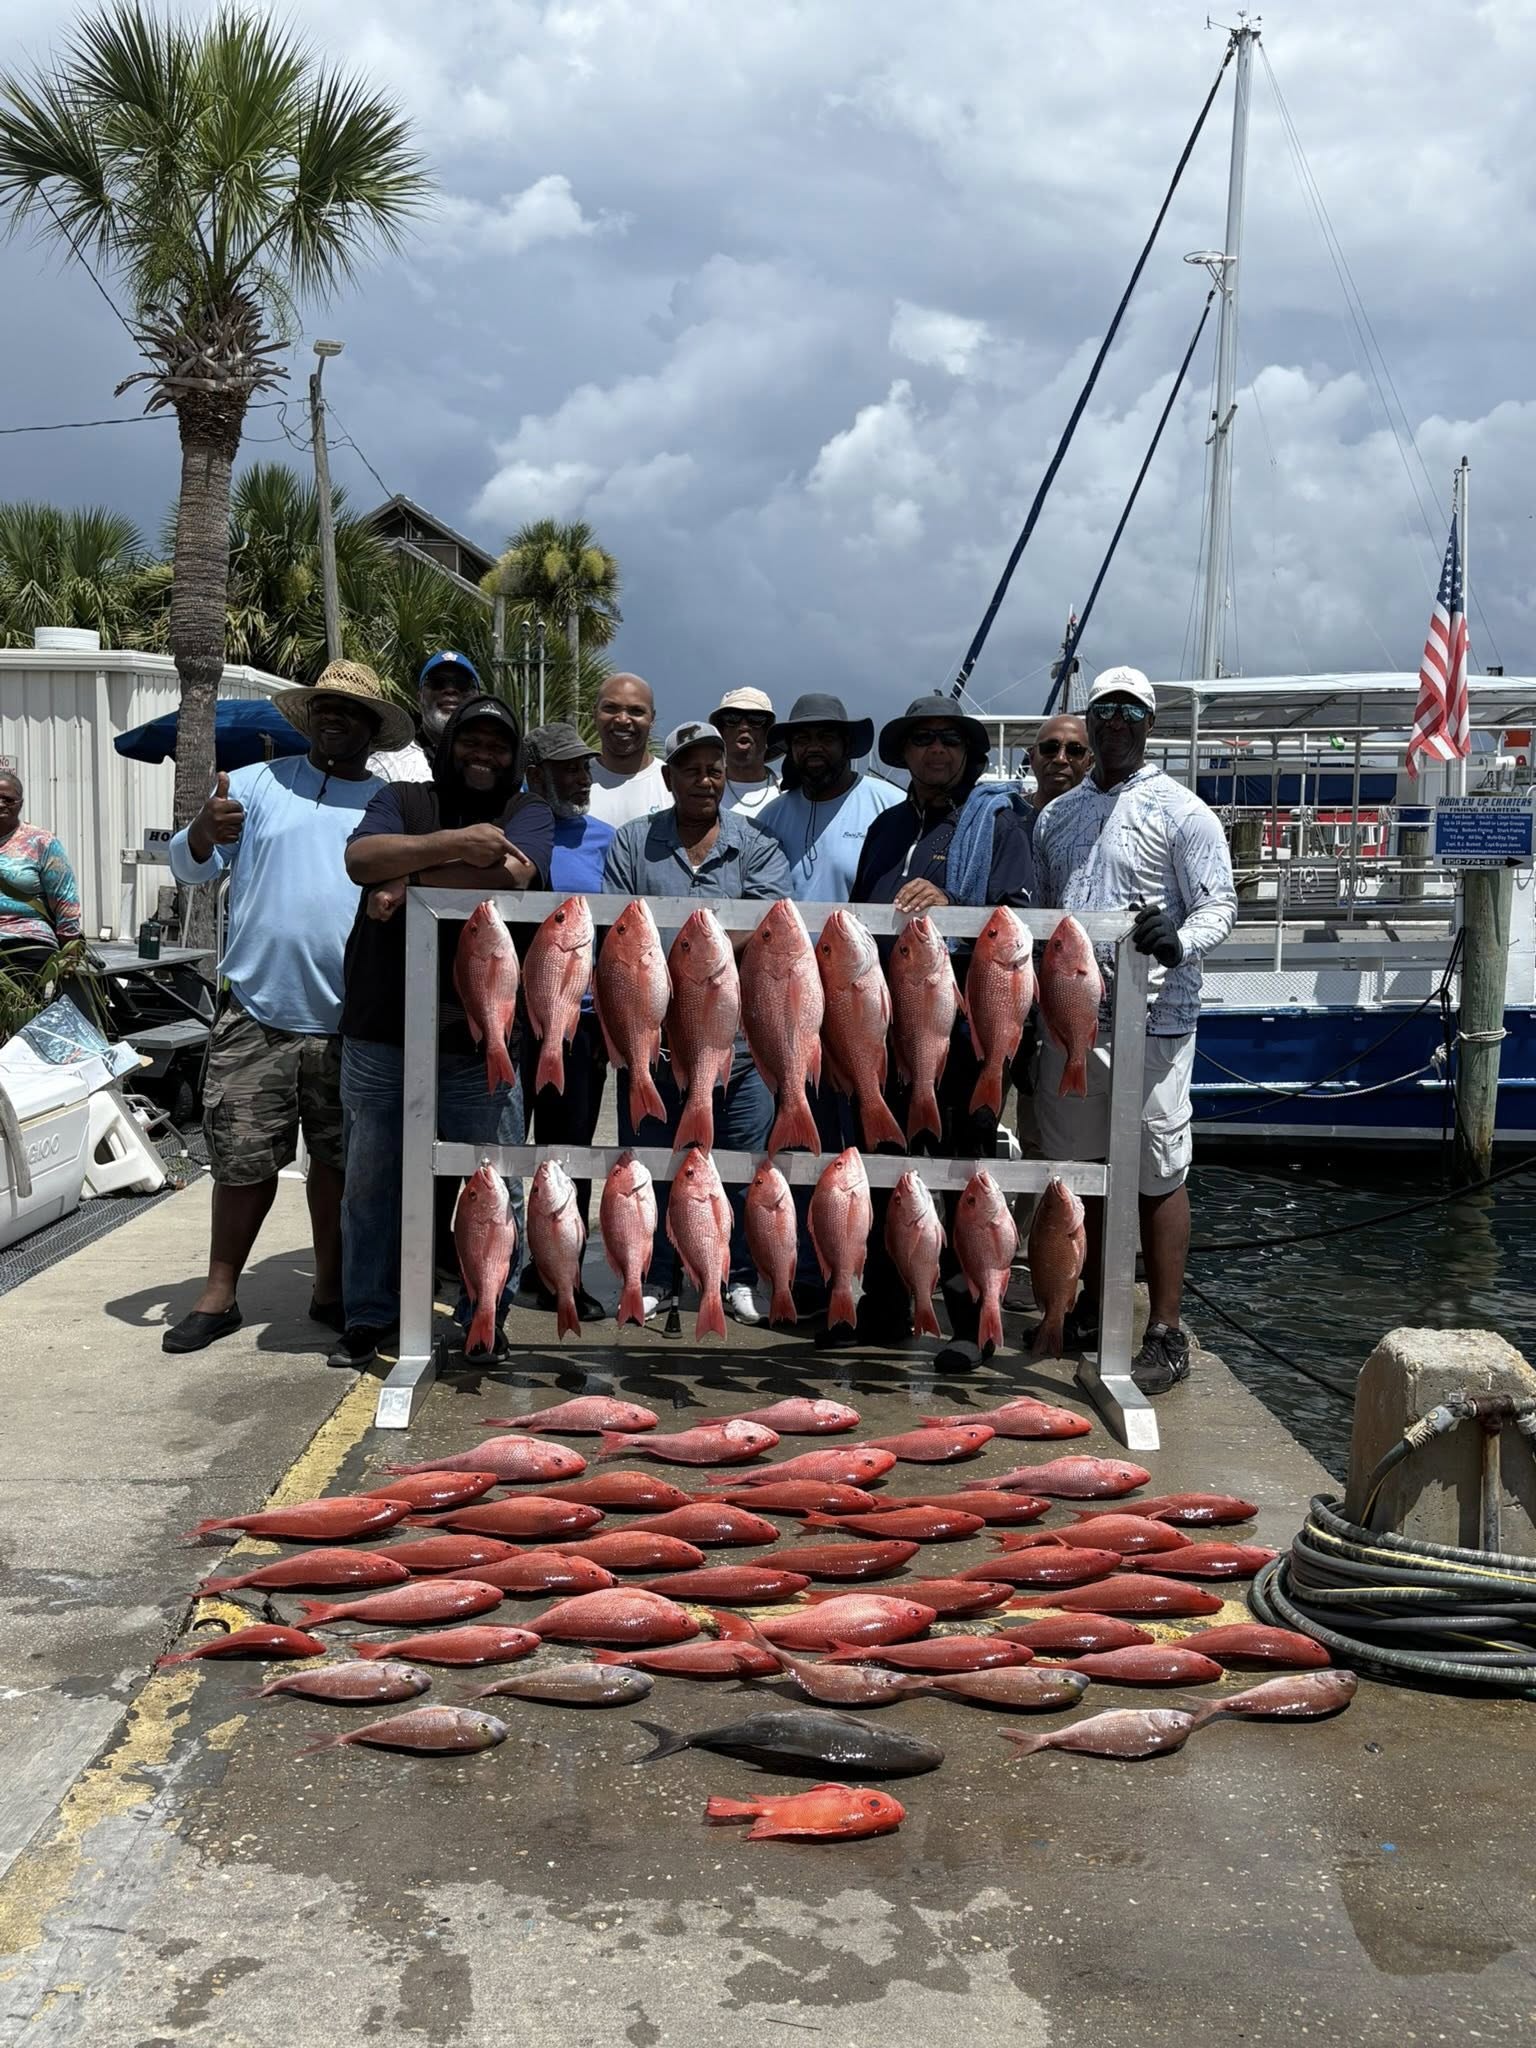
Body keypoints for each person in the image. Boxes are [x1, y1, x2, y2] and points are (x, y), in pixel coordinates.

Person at [164, 661, 406, 1354]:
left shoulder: (390, 804)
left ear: (372, 730)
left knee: (339, 1168)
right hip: (255, 1011)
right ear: (310, 717)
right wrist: (203, 830)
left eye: (351, 711)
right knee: (242, 1164)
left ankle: (330, 1288)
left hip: (351, 1023)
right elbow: (189, 867)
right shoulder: (254, 784)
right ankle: (219, 1295)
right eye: (325, 707)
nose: (336, 719)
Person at [1033, 664, 1237, 1395]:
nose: (1116, 722)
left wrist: (1179, 939)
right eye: (1104, 711)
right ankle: (1087, 1304)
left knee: (1158, 1172)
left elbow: (1220, 904)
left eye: (1130, 711)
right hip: (1072, 1028)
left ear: (1150, 723)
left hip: (1156, 1025)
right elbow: (1046, 913)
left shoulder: (1186, 812)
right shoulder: (1055, 816)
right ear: (1089, 721)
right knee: (1078, 1169)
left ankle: (1165, 1330)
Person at [335, 696, 555, 1367]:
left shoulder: (528, 811)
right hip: (381, 1029)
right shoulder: (402, 798)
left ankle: (487, 1312)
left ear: (514, 759)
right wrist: (457, 848)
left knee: (495, 1184)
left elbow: (516, 872)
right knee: (370, 1181)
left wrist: (409, 880)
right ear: (447, 745)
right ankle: (368, 1314)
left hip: (480, 1042)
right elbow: (361, 859)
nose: (483, 755)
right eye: (471, 741)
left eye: (498, 746)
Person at [851, 694, 1036, 1360]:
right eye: (923, 738)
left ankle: (971, 1322)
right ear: (905, 752)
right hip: (885, 1032)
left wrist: (954, 903)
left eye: (950, 740)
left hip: (963, 1038)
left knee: (965, 1176)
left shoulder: (997, 824)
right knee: (885, 1169)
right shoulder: (886, 828)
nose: (936, 749)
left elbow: (1017, 918)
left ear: (968, 754)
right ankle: (885, 1307)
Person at [603, 720, 791, 1326]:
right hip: (653, 1044)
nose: (704, 780)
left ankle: (736, 1275)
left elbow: (766, 922)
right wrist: (688, 959)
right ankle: (656, 1273)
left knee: (743, 1165)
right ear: (669, 778)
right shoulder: (632, 843)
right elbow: (617, 929)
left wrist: (693, 954)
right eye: (690, 769)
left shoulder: (757, 844)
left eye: (714, 769)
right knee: (654, 1169)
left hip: (738, 1044)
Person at [520, 721, 614, 1313]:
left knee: (570, 1151)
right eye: (568, 769)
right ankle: (492, 1268)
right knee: (500, 1148)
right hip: (509, 1022)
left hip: (578, 1025)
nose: (583, 778)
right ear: (535, 776)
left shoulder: (608, 840)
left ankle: (563, 1276)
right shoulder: (511, 831)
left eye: (585, 767)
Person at [1013, 711, 1094, 1159]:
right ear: (1032, 756)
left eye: (1075, 750)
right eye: (1049, 748)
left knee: (1062, 1137)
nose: (1060, 758)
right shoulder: (1003, 818)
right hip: (1008, 996)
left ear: (1089, 761)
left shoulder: (1098, 823)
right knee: (1017, 1126)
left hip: (1067, 1000)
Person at [757, 693, 902, 903]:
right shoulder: (770, 818)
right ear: (791, 749)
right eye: (802, 739)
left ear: (847, 745)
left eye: (826, 738)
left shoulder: (891, 806)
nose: (814, 748)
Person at [0, 770, 82, 980]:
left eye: (8, 800)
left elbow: (65, 900)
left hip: (25, 939)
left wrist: (69, 954)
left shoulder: (41, 842)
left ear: (20, 804)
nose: (1, 804)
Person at [368, 649, 481, 782]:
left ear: (478, 698)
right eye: (437, 682)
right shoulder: (387, 768)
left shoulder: (496, 762)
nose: (450, 690)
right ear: (419, 698)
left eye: (462, 683)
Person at [586, 671, 668, 827]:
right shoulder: (573, 783)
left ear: (652, 718)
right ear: (594, 713)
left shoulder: (671, 785)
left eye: (636, 711)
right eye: (611, 708)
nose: (623, 720)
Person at [708, 687, 780, 820]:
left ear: (767, 733)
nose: (744, 727)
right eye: (732, 718)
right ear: (721, 733)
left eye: (756, 719)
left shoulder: (788, 792)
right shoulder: (703, 793)